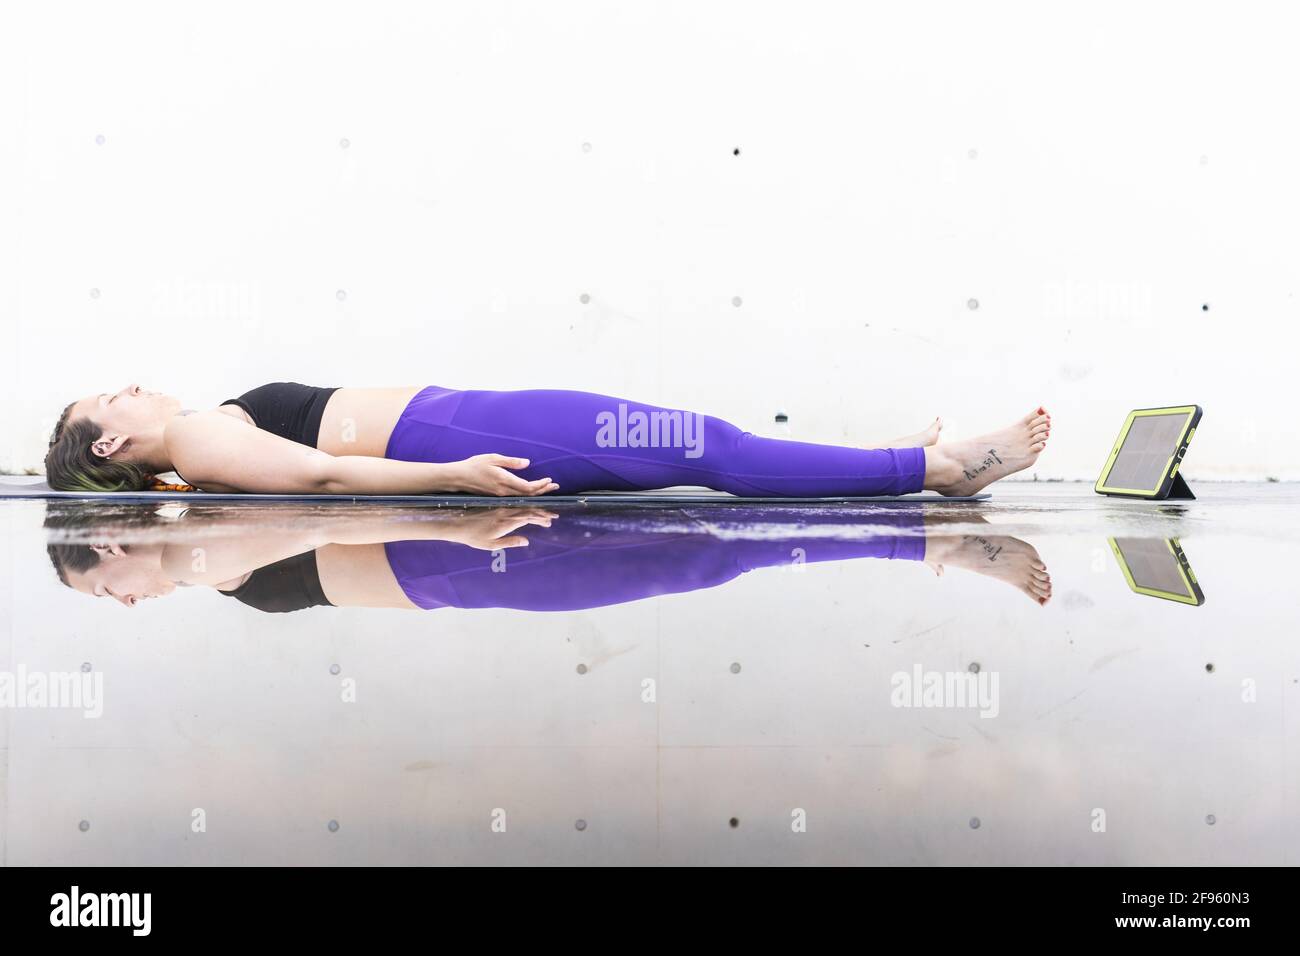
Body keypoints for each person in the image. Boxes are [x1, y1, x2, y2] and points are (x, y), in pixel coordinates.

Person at [44, 382, 1050, 497]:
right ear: (116, 439)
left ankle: (889, 456)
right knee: (700, 447)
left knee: (692, 437)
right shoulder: (205, 446)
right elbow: (317, 472)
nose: (128, 385)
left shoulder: (205, 422)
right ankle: (940, 468)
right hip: (459, 431)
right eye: (109, 398)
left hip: (464, 411)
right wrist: (452, 470)